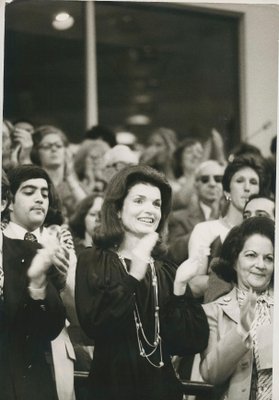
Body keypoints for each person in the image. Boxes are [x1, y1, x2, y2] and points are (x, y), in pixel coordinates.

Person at [75, 164, 209, 400]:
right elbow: (97, 323)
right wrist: (134, 275)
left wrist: (179, 289)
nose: (150, 210)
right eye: (139, 200)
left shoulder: (166, 269)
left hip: (162, 391)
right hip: (111, 390)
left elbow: (191, 342)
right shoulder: (94, 259)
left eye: (156, 204)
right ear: (117, 209)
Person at [3, 165, 76, 400]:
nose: (39, 199)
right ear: (8, 202)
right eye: (29, 191)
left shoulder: (57, 244)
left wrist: (64, 281)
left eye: (44, 194)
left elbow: (68, 317)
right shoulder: (4, 244)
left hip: (48, 358)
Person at [200, 216, 274, 400]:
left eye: (269, 258)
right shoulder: (213, 310)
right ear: (234, 260)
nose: (260, 265)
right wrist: (241, 330)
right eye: (251, 255)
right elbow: (211, 374)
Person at [188, 154, 266, 300]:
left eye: (253, 182)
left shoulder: (266, 234)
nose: (247, 188)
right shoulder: (205, 230)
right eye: (239, 181)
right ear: (227, 192)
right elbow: (194, 285)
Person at [168, 160, 225, 265]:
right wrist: (206, 227)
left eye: (218, 179)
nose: (212, 184)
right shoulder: (178, 217)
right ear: (196, 185)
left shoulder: (232, 215)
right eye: (205, 179)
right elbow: (174, 254)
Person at [31, 124, 87, 221]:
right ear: (36, 152)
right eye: (47, 146)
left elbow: (89, 209)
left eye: (58, 145)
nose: (54, 149)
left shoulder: (76, 186)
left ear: (66, 151)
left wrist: (70, 178)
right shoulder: (33, 183)